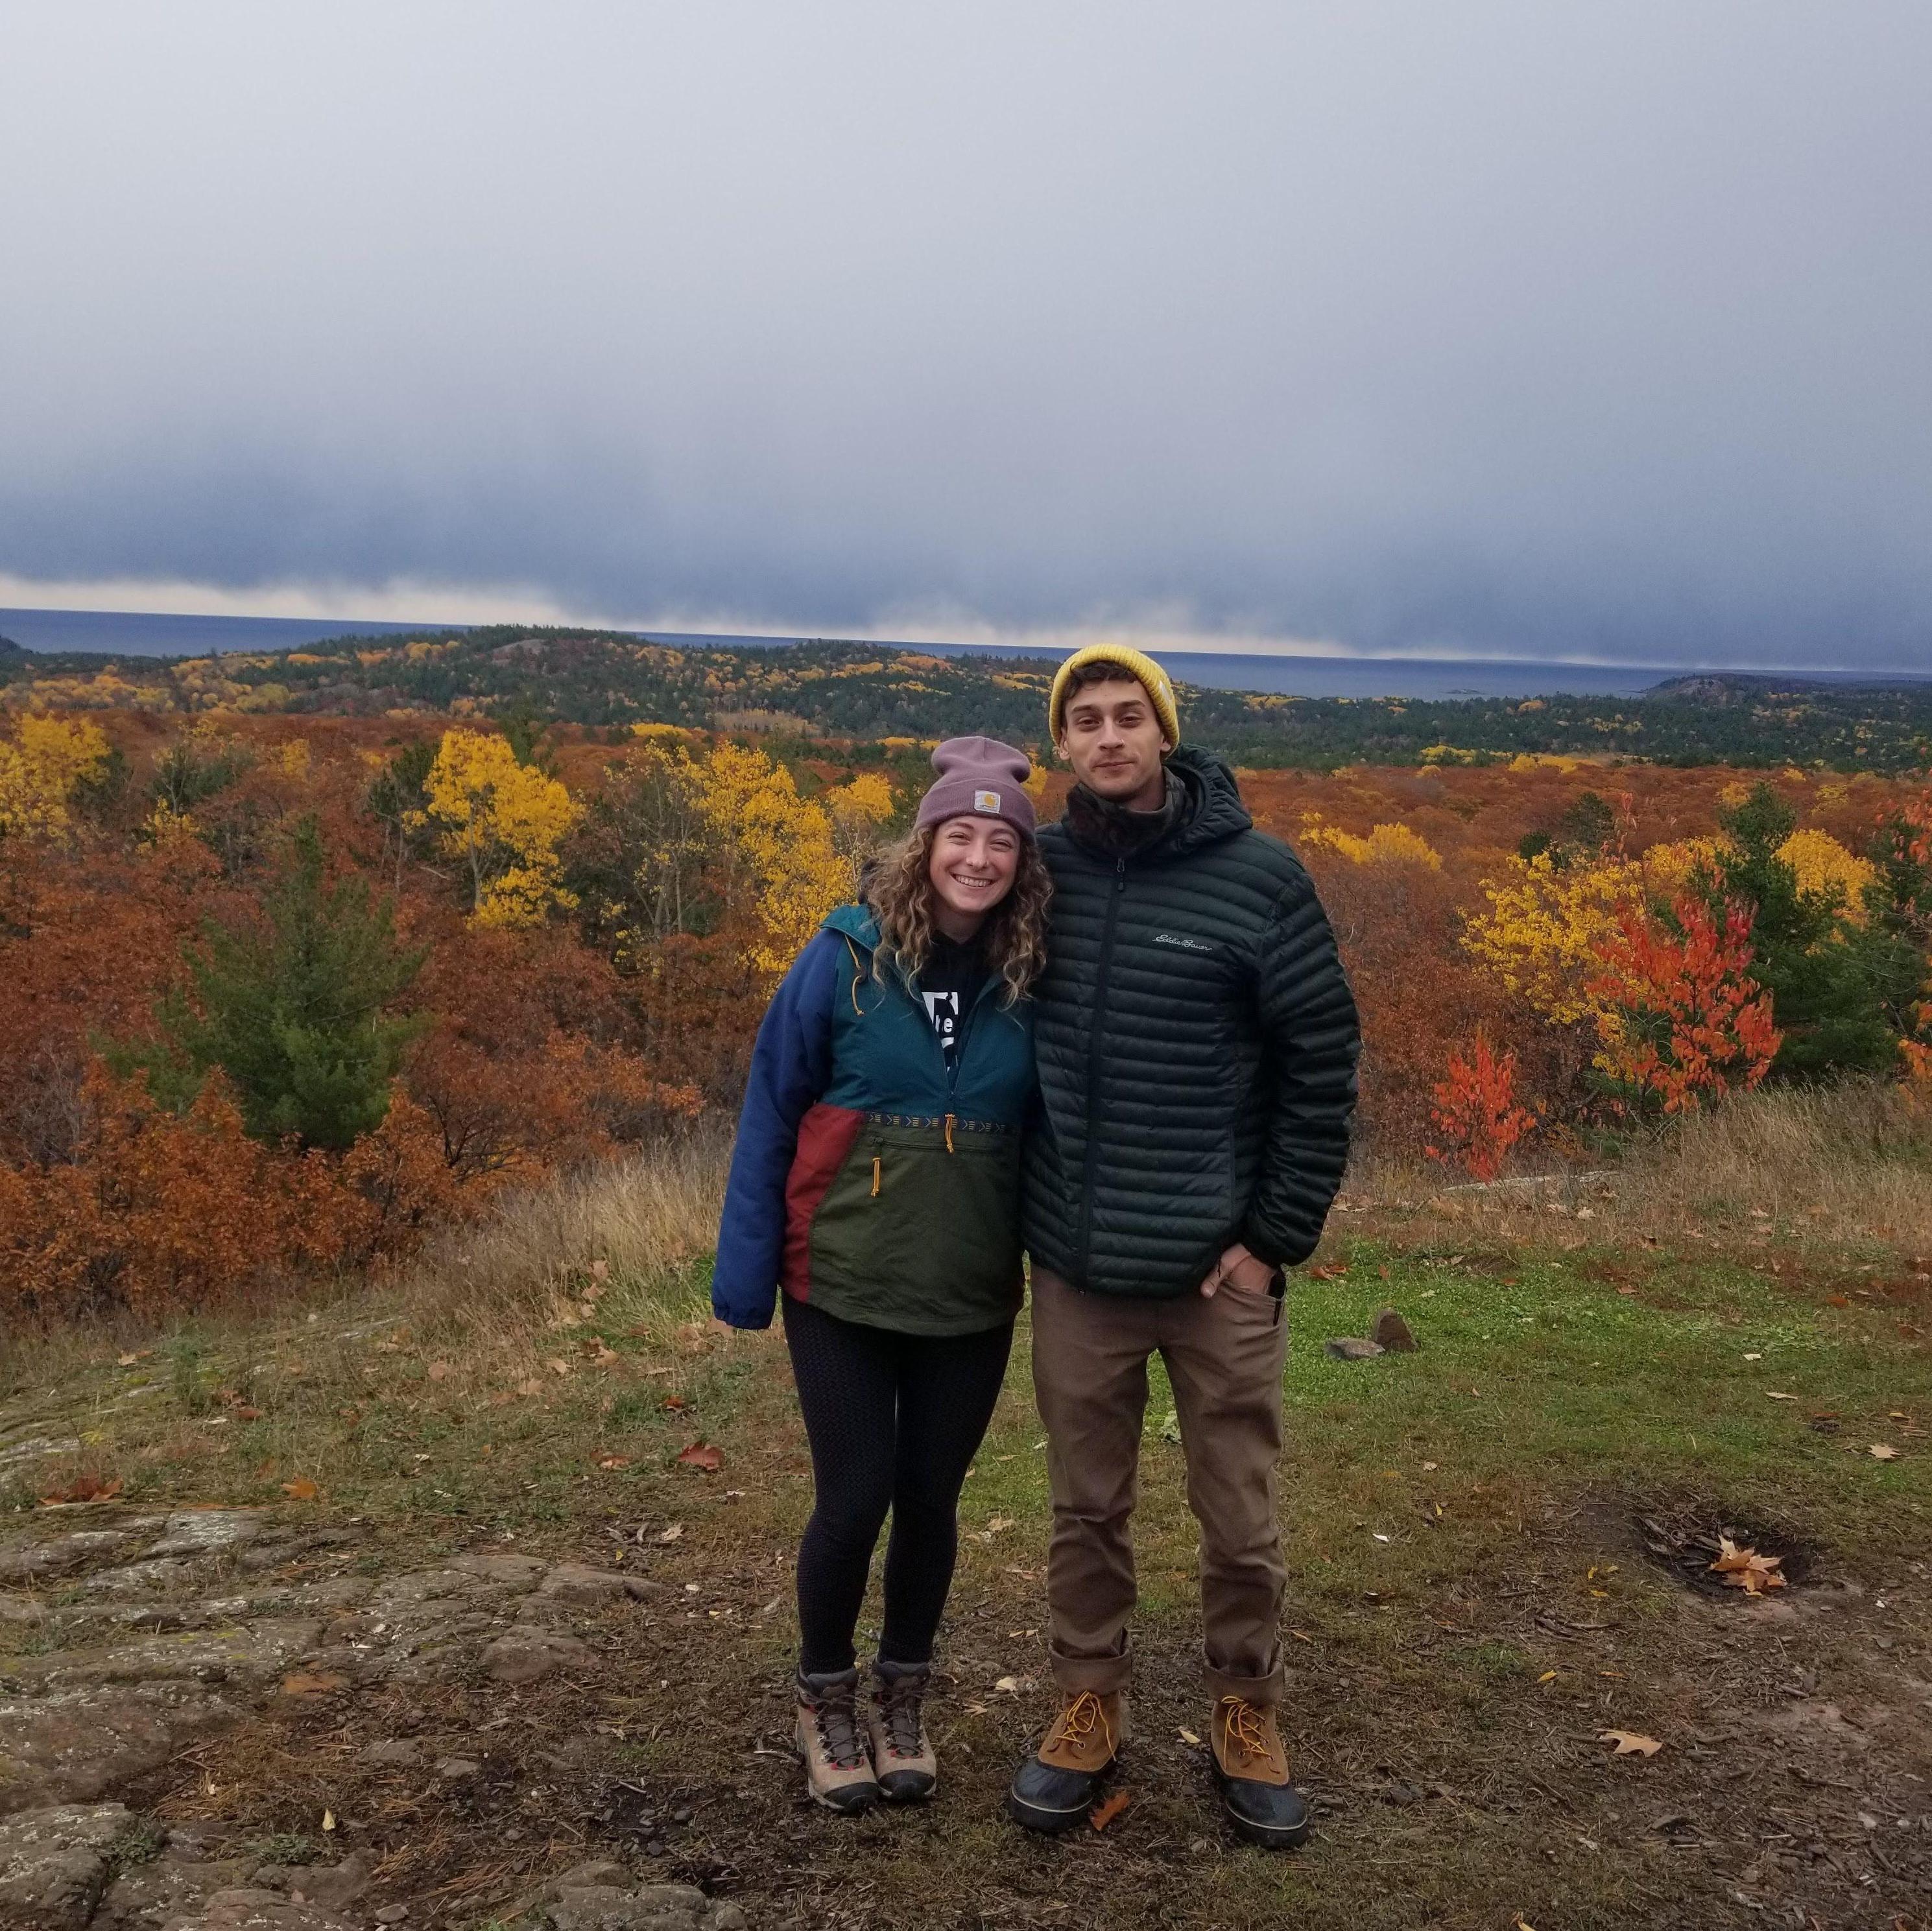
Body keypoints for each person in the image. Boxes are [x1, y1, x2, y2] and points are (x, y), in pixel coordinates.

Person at [1005, 645, 1359, 1850]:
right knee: (1085, 1504)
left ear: (1165, 731)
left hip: (1219, 1272)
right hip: (1078, 1263)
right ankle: (1086, 1698)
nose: (1108, 737)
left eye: (1128, 717)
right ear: (1063, 747)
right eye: (1085, 721)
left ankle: (1245, 1708)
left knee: (1239, 1512)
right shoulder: (1035, 873)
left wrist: (1272, 1241)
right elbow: (936, 907)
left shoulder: (1259, 879)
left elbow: (1322, 1067)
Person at [712, 737, 1051, 1815]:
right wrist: (744, 1274)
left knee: (931, 1500)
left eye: (1002, 841)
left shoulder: (1037, 969)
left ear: (1022, 862)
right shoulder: (845, 955)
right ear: (927, 842)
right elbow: (772, 1108)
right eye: (962, 834)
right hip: (844, 1283)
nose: (979, 857)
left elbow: (1065, 1127)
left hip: (969, 1288)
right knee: (854, 1497)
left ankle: (905, 1692)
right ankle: (825, 1700)